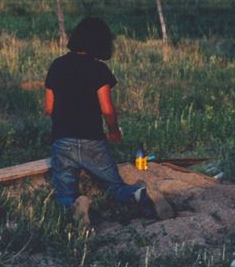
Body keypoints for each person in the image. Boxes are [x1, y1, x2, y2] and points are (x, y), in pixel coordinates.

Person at [44, 16, 172, 224]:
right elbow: (107, 109)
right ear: (101, 43)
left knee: (64, 191)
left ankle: (75, 206)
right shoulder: (99, 70)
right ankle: (138, 194)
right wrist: (114, 130)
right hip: (93, 139)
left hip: (63, 140)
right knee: (114, 186)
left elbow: (49, 108)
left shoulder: (57, 65)